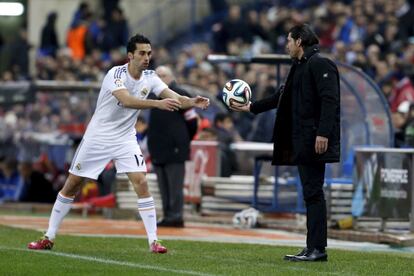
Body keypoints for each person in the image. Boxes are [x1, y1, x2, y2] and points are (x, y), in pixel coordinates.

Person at [27, 34, 209, 253]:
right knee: (73, 184)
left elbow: (174, 97)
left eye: (149, 53)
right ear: (130, 55)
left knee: (141, 181)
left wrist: (191, 102)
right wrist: (157, 103)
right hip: (98, 137)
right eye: (142, 53)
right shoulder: (115, 74)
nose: (146, 57)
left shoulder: (150, 77)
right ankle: (49, 236)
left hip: (124, 138)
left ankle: (154, 241)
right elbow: (127, 100)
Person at [231, 24, 340, 262]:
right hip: (302, 140)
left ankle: (317, 249)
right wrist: (251, 107)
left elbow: (330, 100)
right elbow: (281, 97)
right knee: (310, 193)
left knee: (313, 193)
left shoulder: (320, 64)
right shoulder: (299, 67)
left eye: (289, 41)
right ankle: (312, 246)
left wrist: (323, 133)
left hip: (314, 139)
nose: (287, 46)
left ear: (299, 41)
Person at [147, 65, 198, 227]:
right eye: (157, 76)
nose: (160, 79)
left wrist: (181, 140)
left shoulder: (181, 95)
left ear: (171, 77)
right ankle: (168, 215)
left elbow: (193, 121)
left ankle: (176, 215)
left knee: (175, 185)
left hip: (175, 149)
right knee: (163, 186)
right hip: (158, 149)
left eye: (163, 75)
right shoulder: (153, 95)